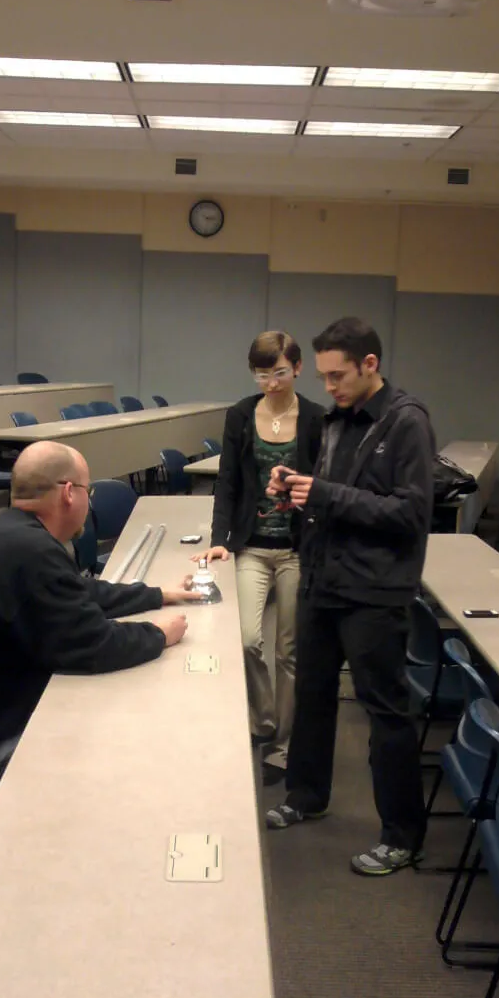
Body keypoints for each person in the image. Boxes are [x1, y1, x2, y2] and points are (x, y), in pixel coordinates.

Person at [0, 440, 198, 789]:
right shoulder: (30, 550)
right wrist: (159, 634)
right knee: (121, 745)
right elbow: (93, 645)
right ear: (68, 494)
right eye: (87, 491)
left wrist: (155, 594)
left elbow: (76, 592)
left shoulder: (10, 532)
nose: (89, 502)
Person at [264, 316, 435, 878]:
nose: (329, 387)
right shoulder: (337, 420)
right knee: (313, 695)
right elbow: (331, 496)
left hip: (374, 589)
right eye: (323, 377)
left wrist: (329, 496)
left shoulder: (406, 422)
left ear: (370, 365)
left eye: (338, 375)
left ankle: (402, 834)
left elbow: (410, 514)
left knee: (386, 712)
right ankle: (307, 794)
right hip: (322, 579)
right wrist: (298, 493)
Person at [193, 330, 323, 780]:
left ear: (298, 368)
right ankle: (262, 720)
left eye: (280, 373)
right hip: (252, 545)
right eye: (262, 374)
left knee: (289, 651)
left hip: (296, 551)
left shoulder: (316, 420)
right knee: (249, 640)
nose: (271, 383)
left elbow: (324, 488)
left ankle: (285, 744)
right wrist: (219, 538)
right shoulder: (240, 415)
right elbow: (227, 480)